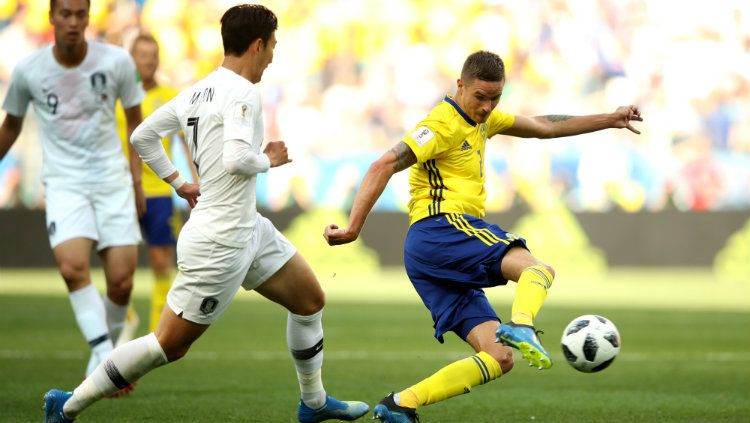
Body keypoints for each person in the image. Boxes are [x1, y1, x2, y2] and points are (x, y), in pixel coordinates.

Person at [42, 5, 369, 423]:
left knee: (309, 301)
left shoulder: (199, 90)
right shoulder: (243, 92)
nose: (272, 56)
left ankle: (314, 402)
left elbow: (144, 137)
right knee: (168, 345)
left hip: (247, 226)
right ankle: (67, 404)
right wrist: (269, 159)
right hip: (220, 240)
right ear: (257, 45)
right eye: (272, 47)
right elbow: (236, 159)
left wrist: (180, 182)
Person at [324, 50, 642, 422]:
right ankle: (522, 325)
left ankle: (400, 404)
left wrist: (610, 118)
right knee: (537, 271)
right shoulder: (441, 124)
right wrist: (353, 228)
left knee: (499, 356)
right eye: (480, 97)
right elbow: (385, 163)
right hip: (441, 229)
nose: (488, 107)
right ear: (460, 86)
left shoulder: (483, 120)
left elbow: (546, 126)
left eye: (496, 98)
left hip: (433, 255)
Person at [0, 0, 144, 382]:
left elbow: (135, 125)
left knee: (122, 281)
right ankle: (104, 355)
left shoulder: (116, 62)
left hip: (112, 180)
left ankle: (102, 356)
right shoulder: (30, 69)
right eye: (65, 14)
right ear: (51, 17)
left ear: (88, 17)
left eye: (81, 14)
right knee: (71, 266)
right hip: (65, 182)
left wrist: (137, 180)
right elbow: (11, 125)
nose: (73, 22)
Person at [116, 33, 199, 334]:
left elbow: (187, 143)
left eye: (154, 54)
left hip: (159, 191)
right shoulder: (118, 95)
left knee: (161, 263)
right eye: (143, 54)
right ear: (132, 59)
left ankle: (156, 333)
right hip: (120, 190)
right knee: (118, 268)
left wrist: (196, 180)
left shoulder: (170, 96)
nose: (149, 60)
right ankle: (125, 322)